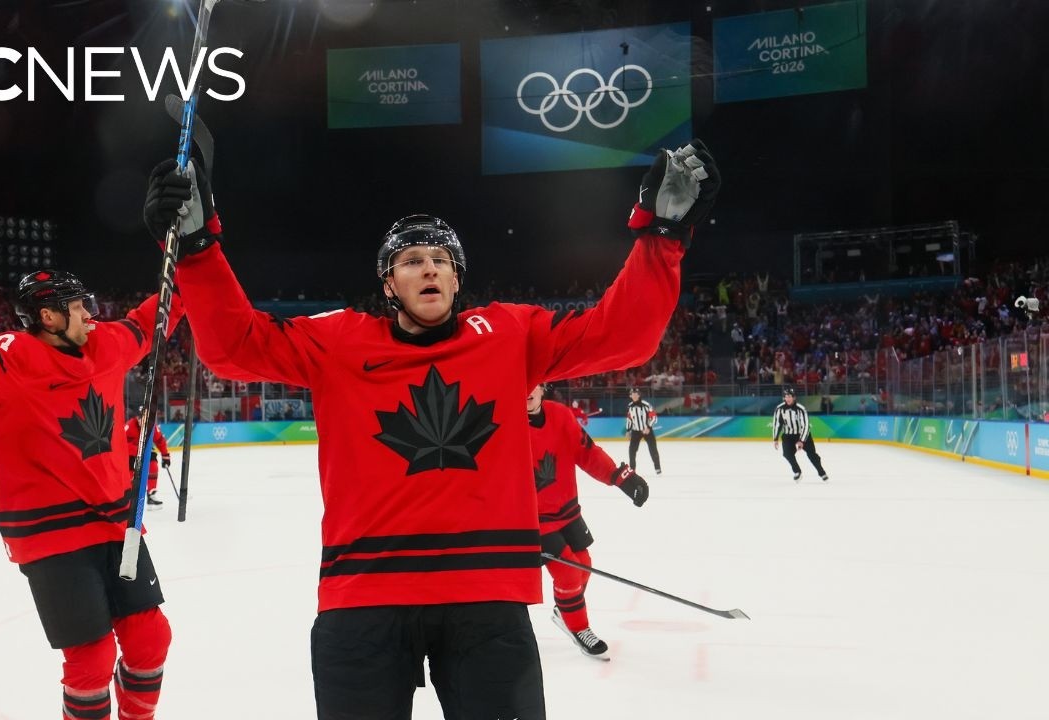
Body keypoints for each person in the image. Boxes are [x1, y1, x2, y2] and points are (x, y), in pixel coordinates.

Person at [144, 134, 718, 718]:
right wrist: (196, 248)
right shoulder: (338, 341)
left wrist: (662, 235)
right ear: (388, 283)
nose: (430, 268)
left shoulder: (510, 335)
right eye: (413, 260)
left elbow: (623, 336)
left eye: (442, 260)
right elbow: (234, 346)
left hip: (486, 596)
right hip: (364, 595)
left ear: (456, 279)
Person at [0, 231, 184, 720]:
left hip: (116, 523)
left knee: (151, 638)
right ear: (49, 317)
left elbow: (154, 318)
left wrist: (184, 257)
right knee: (91, 659)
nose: (89, 315)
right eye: (77, 308)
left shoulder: (106, 344)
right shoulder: (11, 359)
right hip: (51, 535)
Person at [526, 383, 647, 661]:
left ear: (542, 387)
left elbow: (587, 453)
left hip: (567, 510)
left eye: (531, 385)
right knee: (568, 573)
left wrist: (620, 477)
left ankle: (565, 609)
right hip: (534, 519)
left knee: (584, 564)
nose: (526, 392)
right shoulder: (508, 425)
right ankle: (579, 627)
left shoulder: (561, 416)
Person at [772, 387, 829, 482]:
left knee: (812, 455)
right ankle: (797, 472)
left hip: (802, 434)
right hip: (788, 435)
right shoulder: (779, 408)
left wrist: (801, 440)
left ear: (794, 397)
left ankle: (822, 472)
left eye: (789, 396)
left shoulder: (801, 409)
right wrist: (775, 438)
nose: (787, 398)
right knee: (787, 454)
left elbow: (805, 425)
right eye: (786, 396)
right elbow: (777, 424)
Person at [124, 407, 171, 506]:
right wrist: (137, 450)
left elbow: (160, 441)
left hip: (144, 450)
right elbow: (121, 444)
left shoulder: (152, 427)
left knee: (153, 464)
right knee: (130, 473)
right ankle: (129, 496)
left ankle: (151, 494)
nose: (142, 420)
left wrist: (165, 456)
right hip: (130, 454)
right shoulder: (129, 426)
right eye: (140, 417)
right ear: (137, 417)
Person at [625, 387, 662, 474]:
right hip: (635, 431)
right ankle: (632, 470)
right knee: (632, 451)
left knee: (653, 449)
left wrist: (648, 427)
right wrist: (628, 430)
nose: (634, 395)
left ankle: (658, 468)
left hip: (647, 430)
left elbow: (654, 417)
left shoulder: (646, 405)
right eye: (632, 394)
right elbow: (629, 419)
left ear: (639, 395)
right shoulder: (630, 406)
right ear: (630, 396)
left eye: (636, 394)